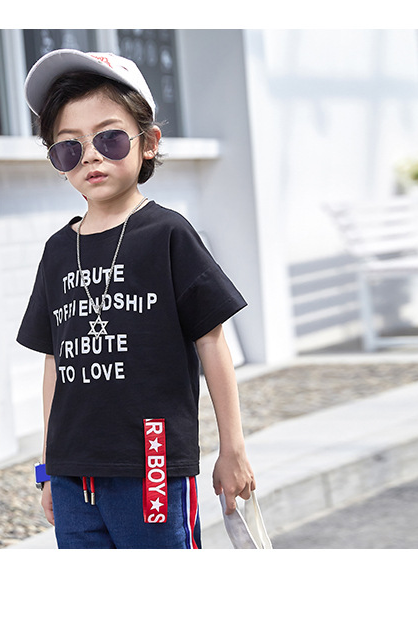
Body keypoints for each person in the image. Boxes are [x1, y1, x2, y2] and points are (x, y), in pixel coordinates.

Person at [17, 49, 255, 549]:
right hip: (73, 475)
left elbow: (212, 342)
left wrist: (232, 448)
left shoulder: (168, 234)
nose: (91, 156)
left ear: (148, 143)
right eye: (69, 147)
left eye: (109, 138)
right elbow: (54, 363)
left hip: (153, 465)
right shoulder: (58, 251)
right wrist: (48, 467)